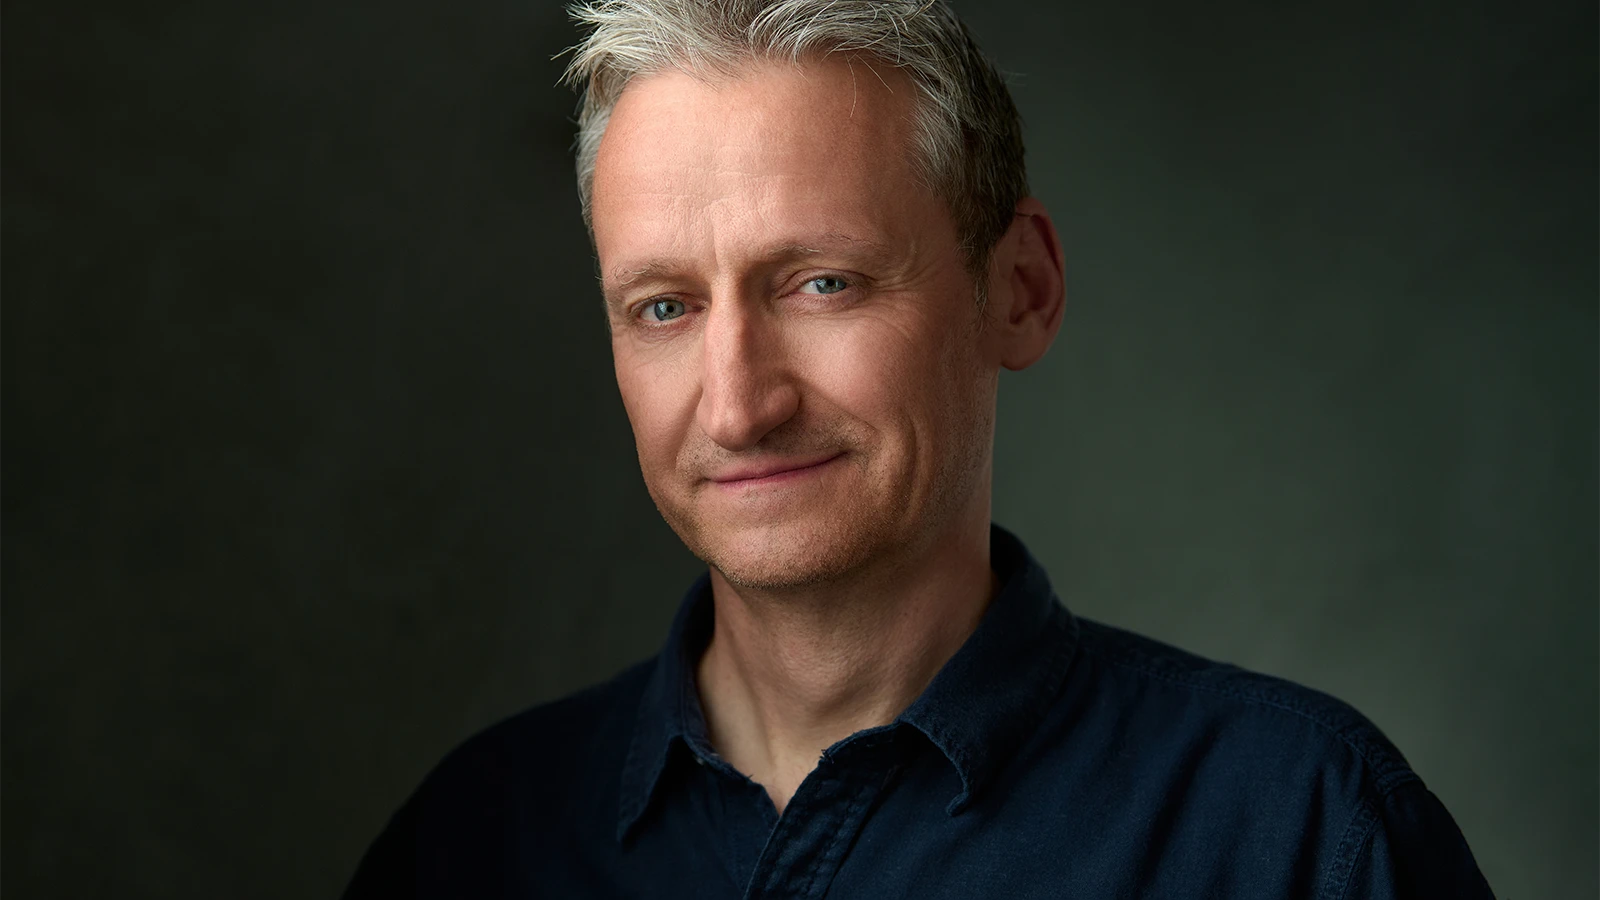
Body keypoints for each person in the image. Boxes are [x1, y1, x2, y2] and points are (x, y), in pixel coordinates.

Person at [345, 1, 1495, 896]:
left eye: (822, 283)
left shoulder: (1303, 839)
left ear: (1021, 290)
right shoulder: (470, 847)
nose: (737, 405)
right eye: (664, 308)